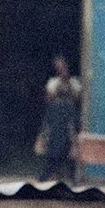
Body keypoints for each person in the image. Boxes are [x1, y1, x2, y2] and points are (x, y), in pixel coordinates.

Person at [37, 54, 82, 182]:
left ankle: (70, 177)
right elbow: (48, 100)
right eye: (58, 67)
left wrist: (67, 84)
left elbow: (77, 99)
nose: (61, 70)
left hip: (69, 117)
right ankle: (50, 174)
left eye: (63, 67)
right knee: (53, 145)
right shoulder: (52, 83)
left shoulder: (74, 83)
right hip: (55, 117)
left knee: (69, 145)